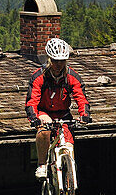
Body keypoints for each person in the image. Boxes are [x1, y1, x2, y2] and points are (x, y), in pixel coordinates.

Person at [25, 37, 92, 179]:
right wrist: (34, 118)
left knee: (68, 145)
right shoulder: (39, 77)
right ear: (49, 59)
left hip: (63, 114)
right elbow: (32, 101)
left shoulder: (72, 76)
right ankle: (42, 165)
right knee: (44, 131)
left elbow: (81, 97)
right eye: (55, 61)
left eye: (62, 61)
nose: (58, 64)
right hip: (44, 112)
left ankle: (69, 182)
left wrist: (84, 114)